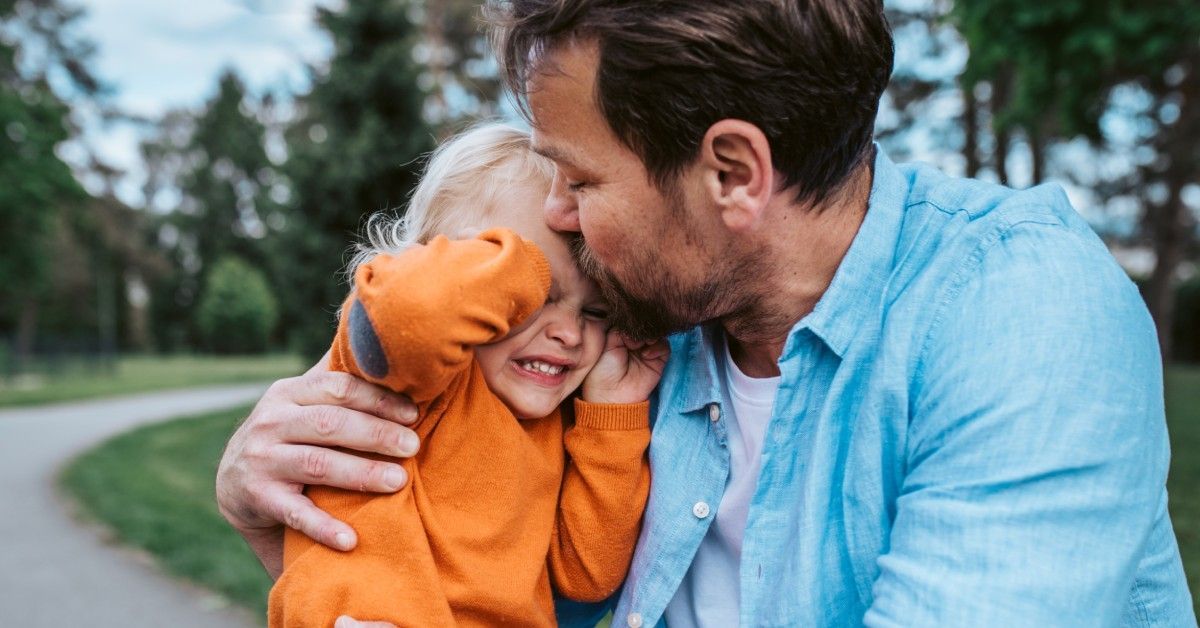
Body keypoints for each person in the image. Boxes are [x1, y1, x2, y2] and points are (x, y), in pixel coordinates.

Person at [218, 1, 1197, 626]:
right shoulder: (642, 321)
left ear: (732, 173)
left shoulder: (1018, 312)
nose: (555, 217)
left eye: (580, 178)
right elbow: (501, 567)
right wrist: (291, 500)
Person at [264, 123, 665, 627]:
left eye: (598, 312)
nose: (568, 332)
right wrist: (526, 261)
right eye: (533, 297)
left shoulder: (556, 427)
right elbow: (409, 311)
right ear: (440, 261)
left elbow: (589, 576)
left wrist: (611, 414)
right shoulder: (406, 368)